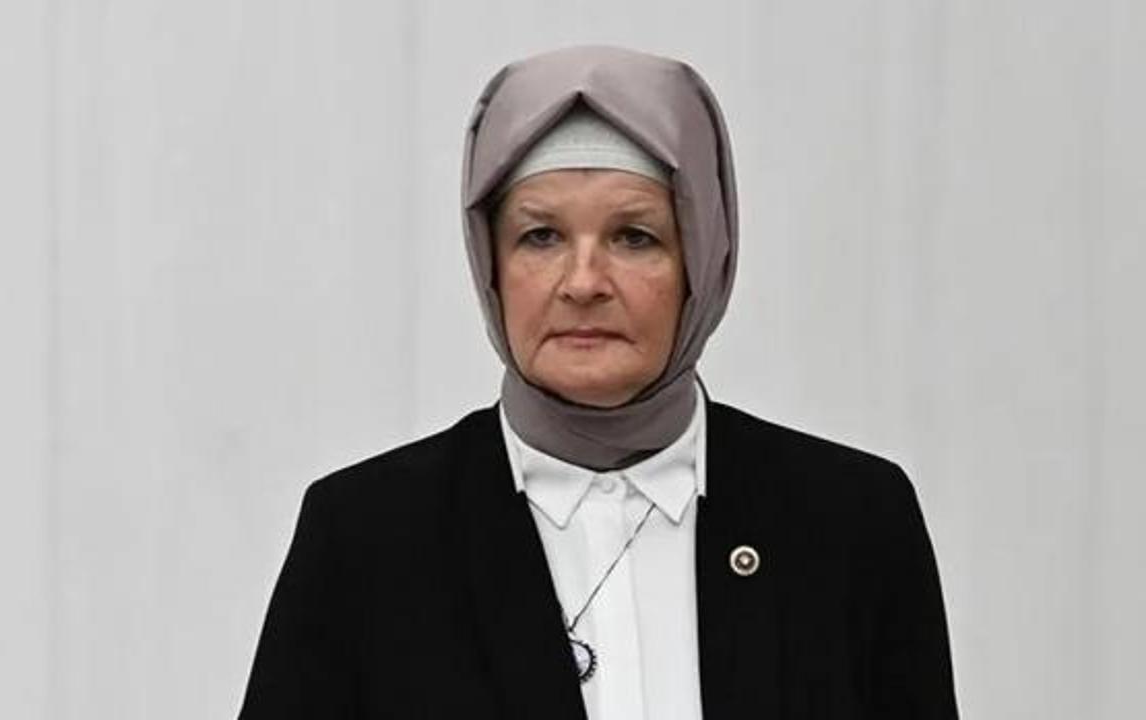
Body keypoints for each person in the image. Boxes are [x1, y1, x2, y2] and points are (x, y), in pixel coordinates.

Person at [239, 45, 958, 719]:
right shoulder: (368, 537)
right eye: (541, 236)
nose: (584, 282)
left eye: (634, 237)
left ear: (701, 262)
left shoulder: (850, 522)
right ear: (491, 266)